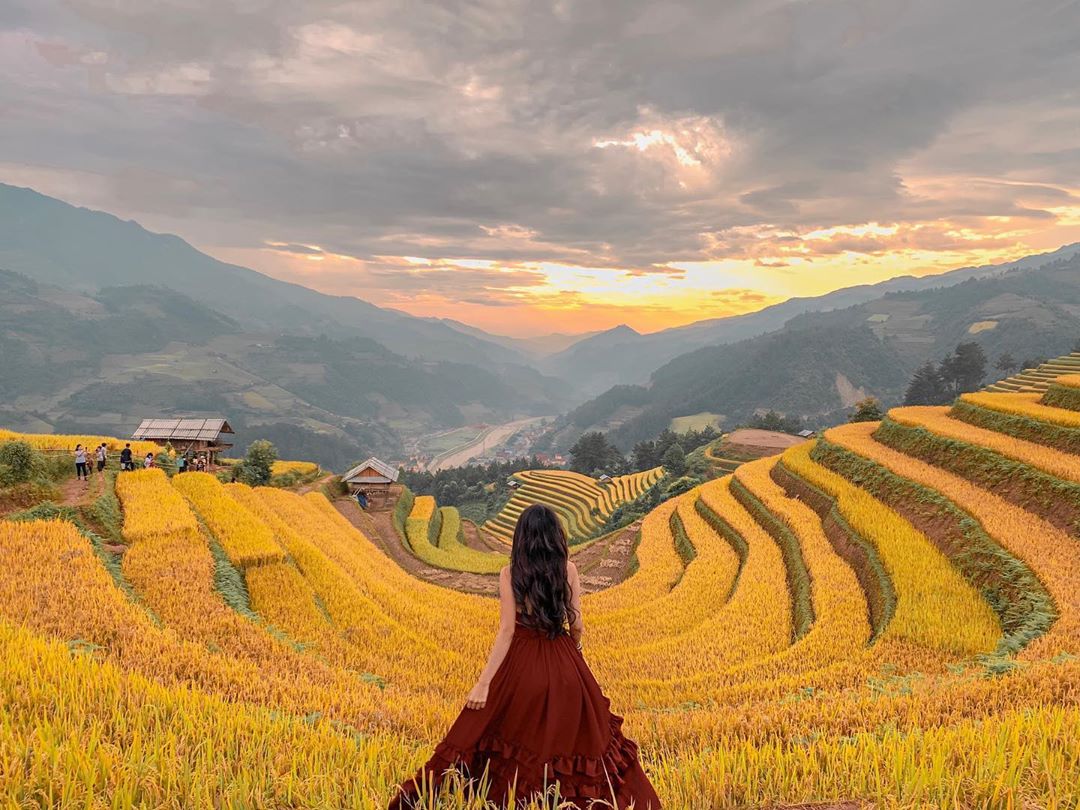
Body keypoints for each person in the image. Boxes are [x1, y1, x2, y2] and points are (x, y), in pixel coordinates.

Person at [388, 504, 661, 810]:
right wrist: (576, 653)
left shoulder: (510, 574)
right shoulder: (568, 569)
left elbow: (506, 631)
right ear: (555, 536)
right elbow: (577, 624)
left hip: (522, 663)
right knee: (580, 740)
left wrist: (483, 683)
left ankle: (417, 801)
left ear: (521, 538)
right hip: (564, 660)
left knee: (492, 731)